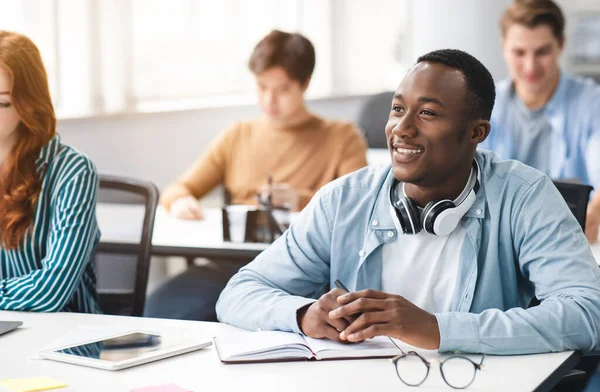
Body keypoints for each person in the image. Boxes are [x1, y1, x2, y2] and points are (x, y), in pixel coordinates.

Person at [217, 49, 600, 356]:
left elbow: (587, 314)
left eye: (428, 113)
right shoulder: (344, 201)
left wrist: (434, 328)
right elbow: (239, 293)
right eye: (398, 109)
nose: (402, 128)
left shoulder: (525, 196)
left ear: (476, 132)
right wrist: (302, 314)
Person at [144, 30, 367, 321]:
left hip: (303, 271)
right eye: (262, 87)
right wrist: (181, 202)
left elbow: (360, 208)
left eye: (282, 89)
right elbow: (178, 188)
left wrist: (299, 199)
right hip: (231, 266)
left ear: (305, 84)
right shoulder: (238, 135)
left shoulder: (342, 137)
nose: (270, 100)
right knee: (159, 310)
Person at [482, 0, 600, 244]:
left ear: (561, 45)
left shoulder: (592, 102)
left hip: (571, 237)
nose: (530, 66)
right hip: (502, 238)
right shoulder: (484, 105)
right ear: (504, 47)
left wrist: (594, 214)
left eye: (542, 52)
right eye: (519, 52)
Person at [0, 31, 100, 313]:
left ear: (27, 104)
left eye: (2, 102)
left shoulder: (73, 172)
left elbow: (52, 292)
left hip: (64, 340)